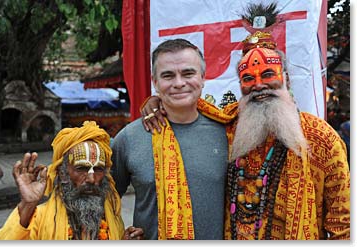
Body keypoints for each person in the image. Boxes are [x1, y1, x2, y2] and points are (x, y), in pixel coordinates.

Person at [141, 31, 350, 240]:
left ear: (286, 77)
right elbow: (188, 106)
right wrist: (157, 102)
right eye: (248, 78)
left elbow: (345, 226)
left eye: (268, 74)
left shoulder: (322, 138)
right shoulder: (229, 125)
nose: (259, 85)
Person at [112, 39, 230, 239]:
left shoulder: (227, 133)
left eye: (188, 73)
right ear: (155, 82)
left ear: (203, 77)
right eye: (168, 75)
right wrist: (115, 238)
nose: (179, 83)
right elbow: (102, 199)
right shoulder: (130, 138)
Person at [0, 121, 143, 240]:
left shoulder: (110, 215)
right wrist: (27, 204)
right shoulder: (40, 217)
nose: (91, 179)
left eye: (98, 169)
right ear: (62, 173)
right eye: (81, 168)